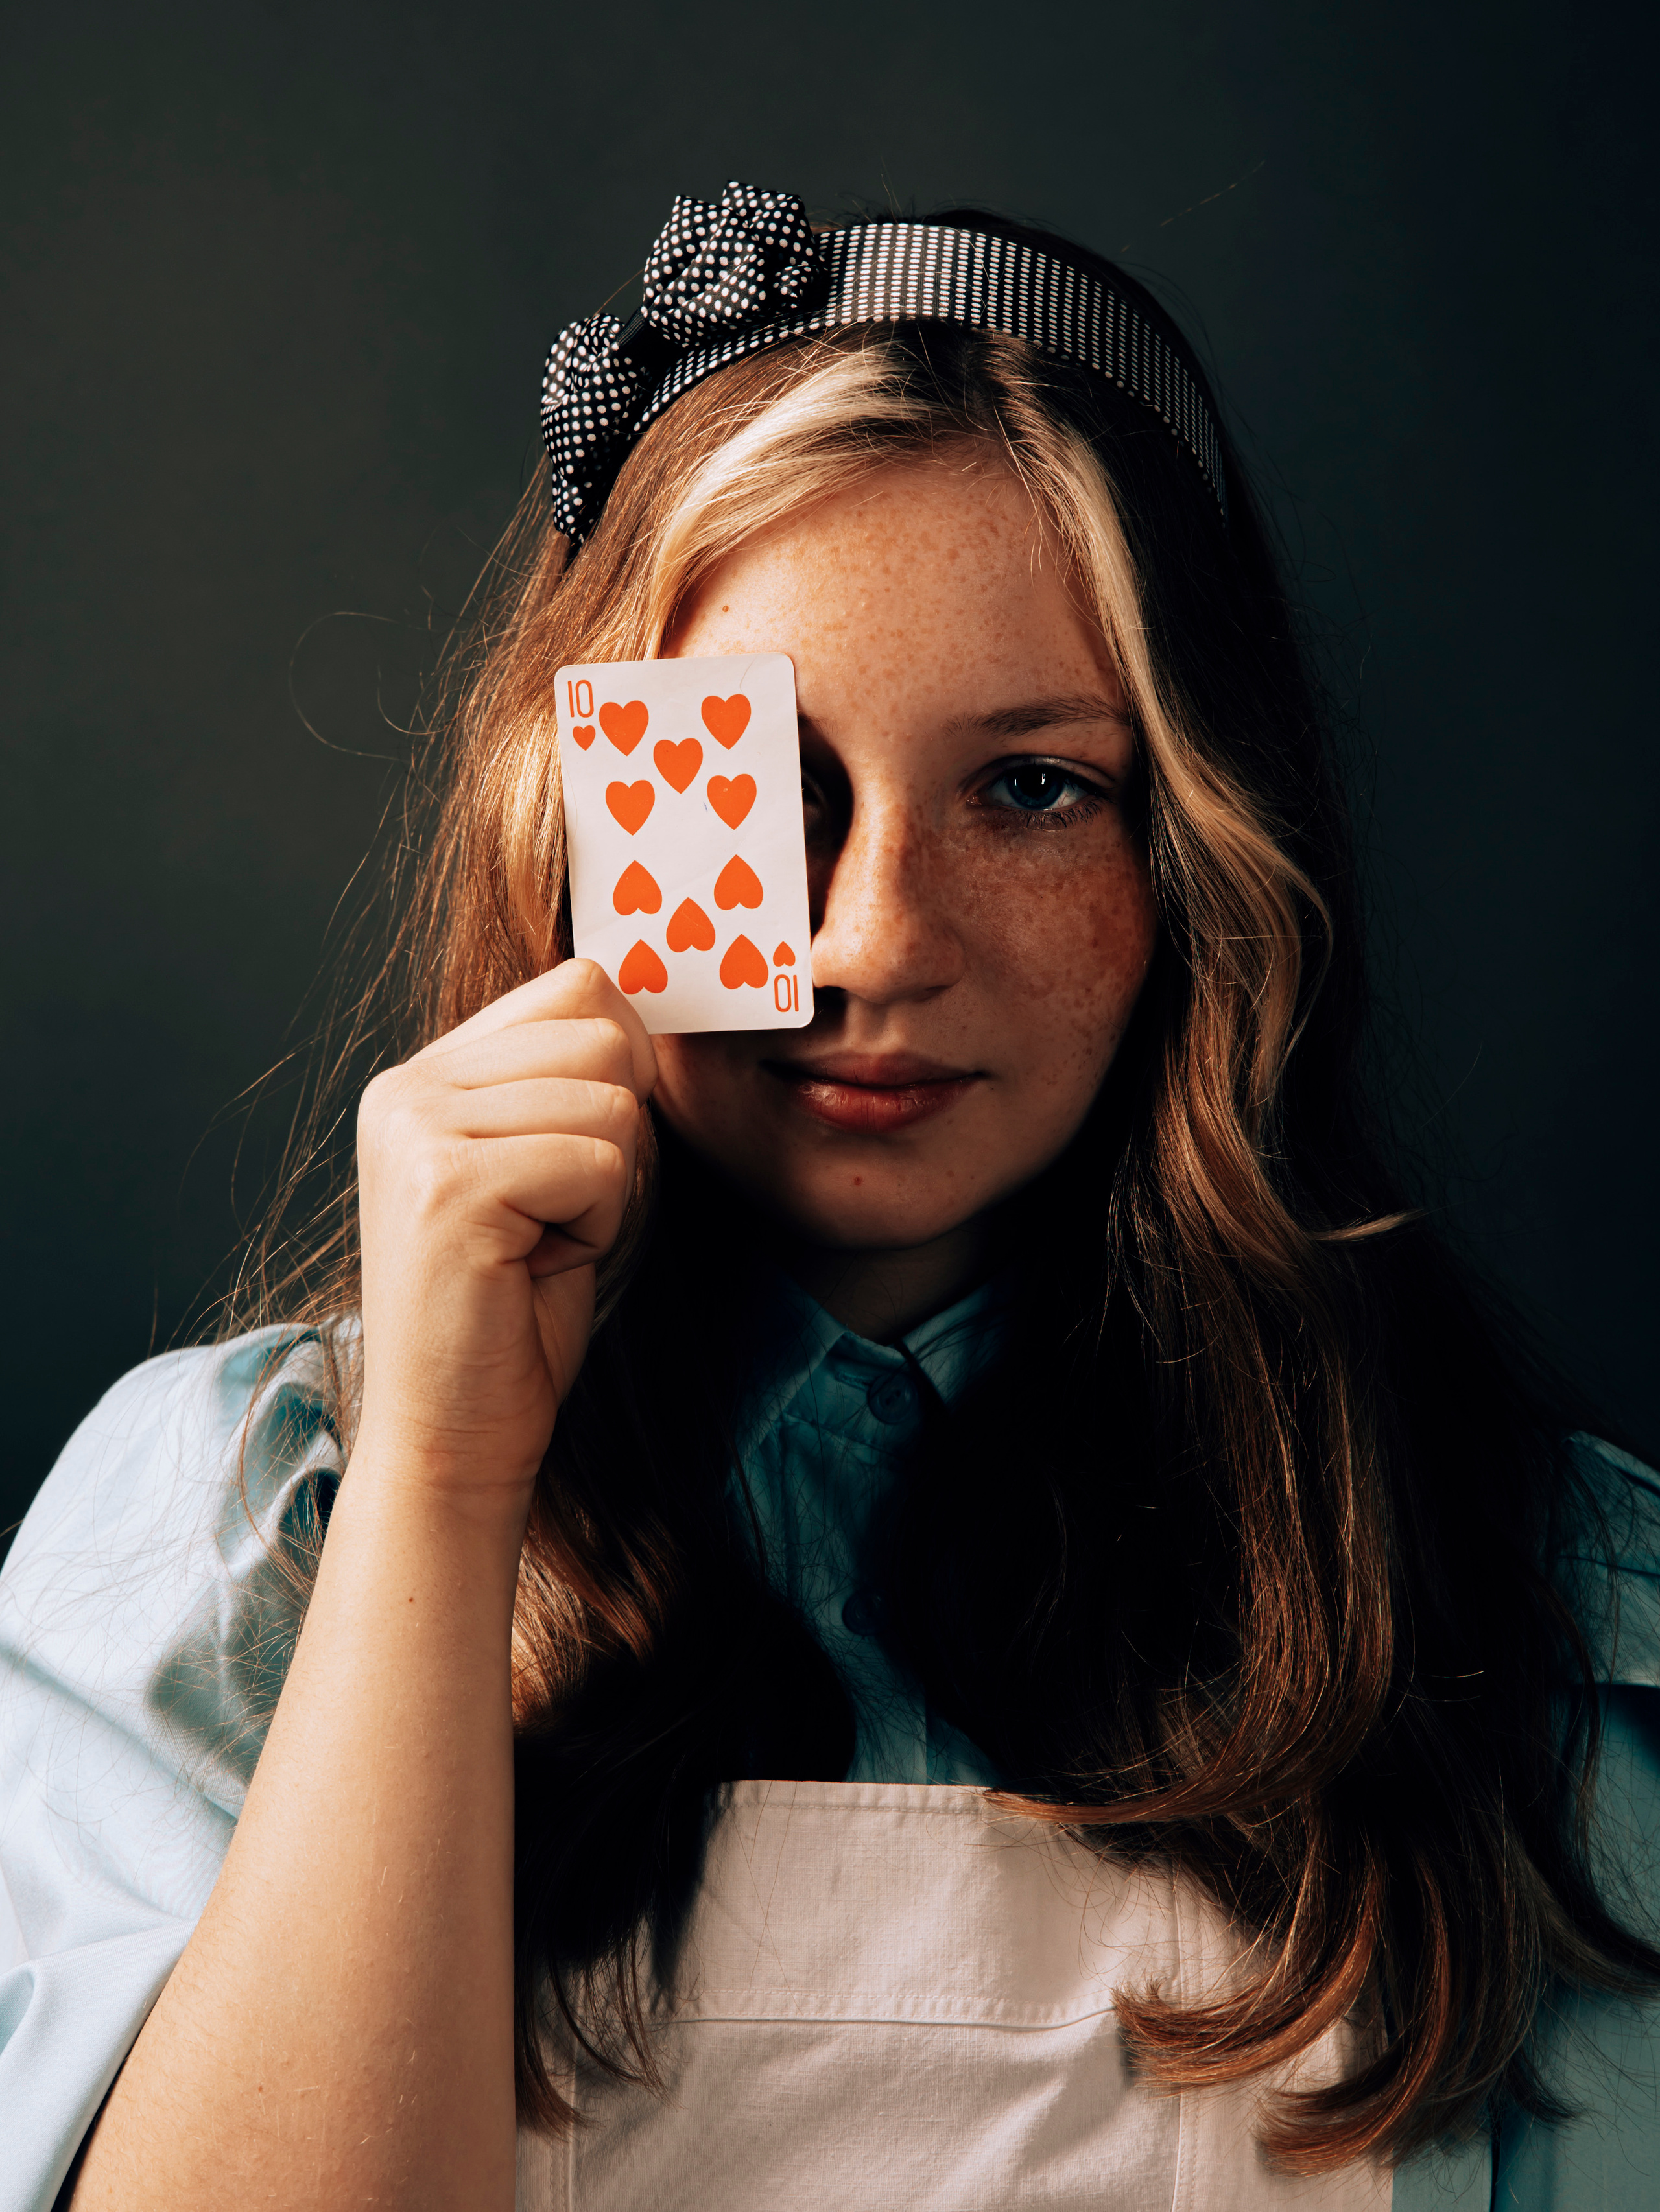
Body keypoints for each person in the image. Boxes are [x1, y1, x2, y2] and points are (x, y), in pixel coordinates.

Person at [1, 183, 1656, 2212]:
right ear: (576, 811)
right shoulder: (239, 1540)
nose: (872, 941)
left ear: (1203, 856)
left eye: (1034, 787)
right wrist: (439, 1487)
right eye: (768, 789)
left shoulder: (1542, 1604)